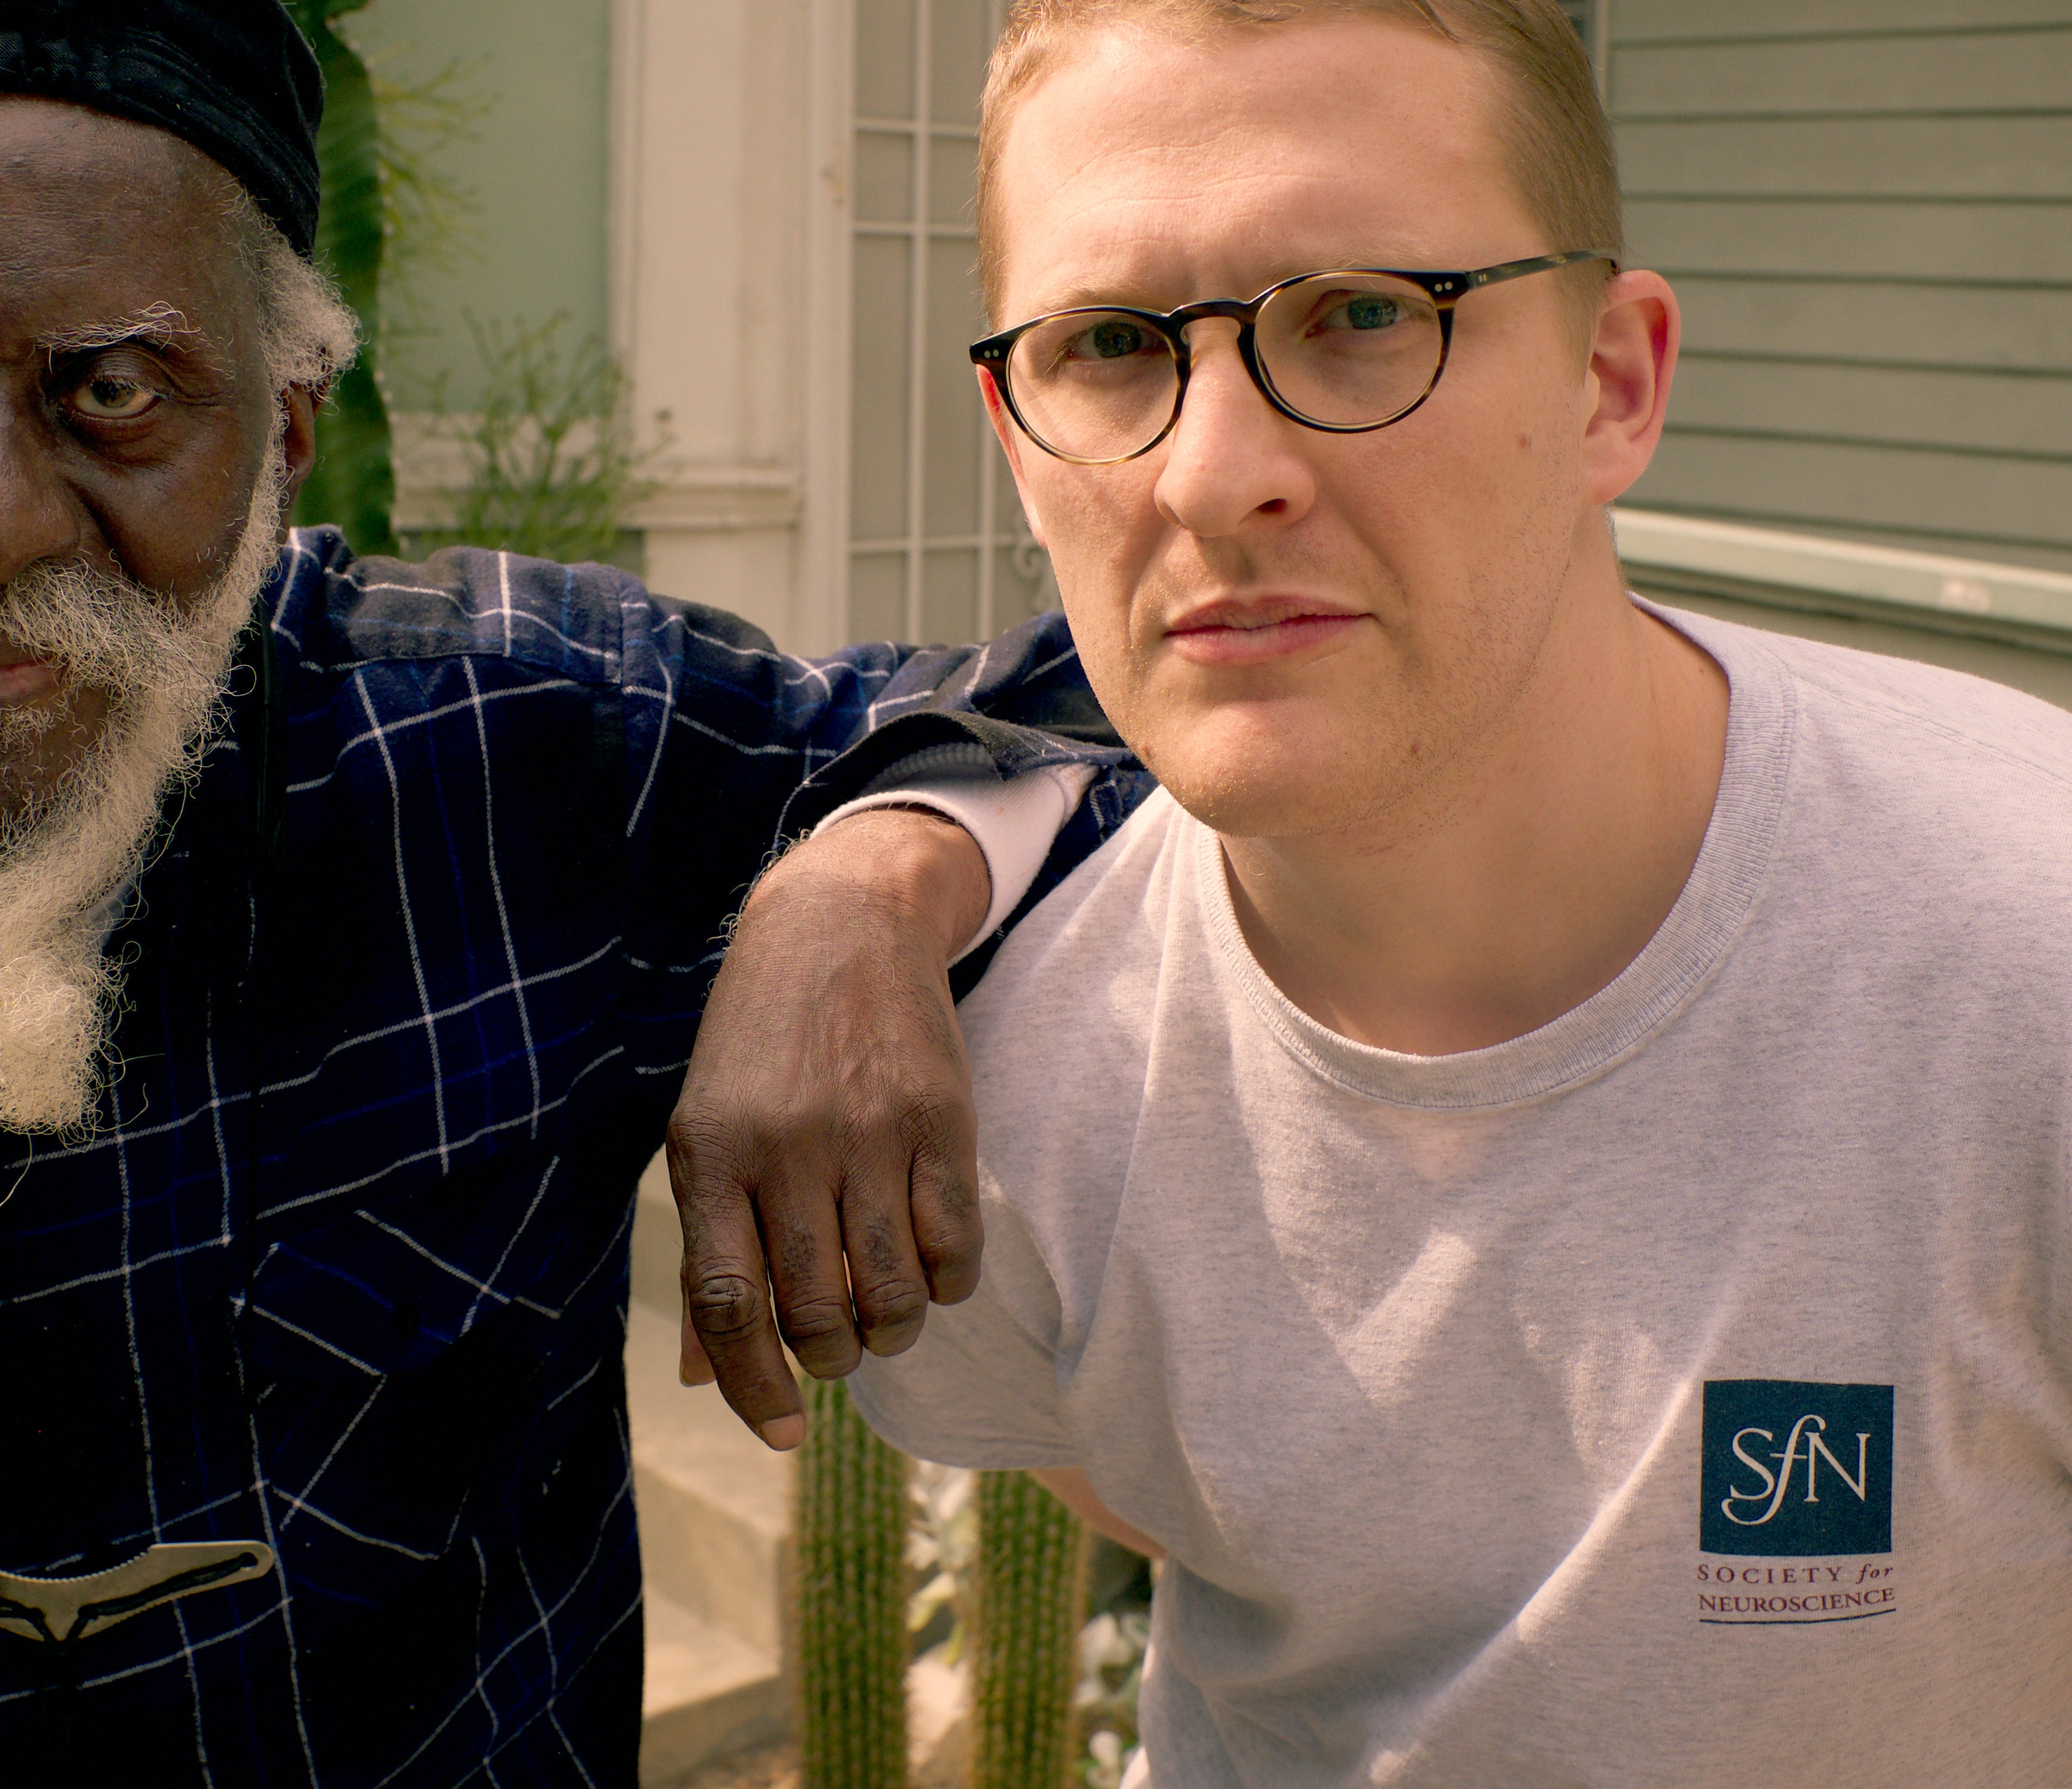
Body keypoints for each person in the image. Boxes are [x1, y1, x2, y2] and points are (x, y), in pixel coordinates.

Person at [0, 3, 1129, 1782]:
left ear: (290, 437)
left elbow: (1126, 702)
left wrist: (869, 880)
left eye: (115, 390)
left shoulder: (525, 750)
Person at [820, 1, 2072, 1783]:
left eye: (1358, 317)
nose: (1210, 473)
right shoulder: (1003, 1073)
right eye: (1108, 343)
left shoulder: (2030, 964)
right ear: (1020, 438)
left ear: (1610, 385)